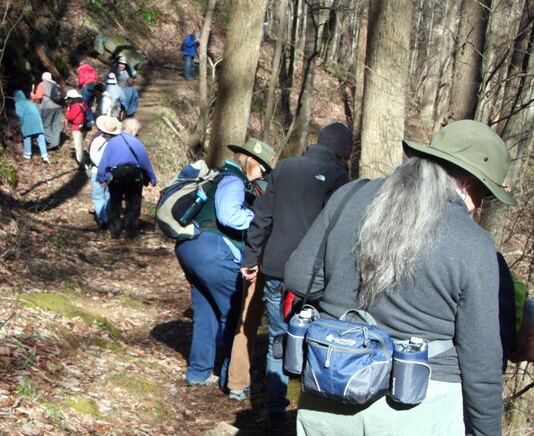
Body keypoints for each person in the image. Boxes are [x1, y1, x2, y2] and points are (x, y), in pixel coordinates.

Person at [285, 120, 515, 436]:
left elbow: (298, 279)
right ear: (471, 184)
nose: (478, 206)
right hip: (418, 405)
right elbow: (482, 366)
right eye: (485, 196)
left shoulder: (349, 196)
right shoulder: (474, 244)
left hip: (329, 382)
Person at [236, 123, 352, 432]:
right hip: (313, 276)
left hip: (275, 269)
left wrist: (250, 259)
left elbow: (261, 217)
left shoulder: (284, 168)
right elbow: (337, 231)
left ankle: (275, 408)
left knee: (279, 335)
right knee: (313, 339)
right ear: (343, 151)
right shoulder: (339, 178)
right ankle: (305, 409)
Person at [174, 138, 276, 387]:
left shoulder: (218, 176)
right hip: (213, 252)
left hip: (190, 248)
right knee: (234, 315)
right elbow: (229, 215)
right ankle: (232, 379)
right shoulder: (233, 180)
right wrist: (258, 219)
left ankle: (198, 373)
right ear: (251, 162)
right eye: (262, 169)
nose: (262, 175)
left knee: (206, 313)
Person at [96, 117, 157, 239]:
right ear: (134, 130)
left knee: (114, 202)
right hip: (134, 176)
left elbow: (104, 161)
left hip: (116, 176)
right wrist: (152, 178)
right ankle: (131, 231)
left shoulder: (112, 142)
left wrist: (101, 177)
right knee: (133, 203)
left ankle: (115, 230)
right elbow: (145, 162)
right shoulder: (137, 143)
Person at [87, 117, 119, 228]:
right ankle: (108, 217)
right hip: (112, 173)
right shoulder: (117, 142)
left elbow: (92, 156)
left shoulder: (97, 140)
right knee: (108, 195)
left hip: (97, 171)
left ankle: (102, 218)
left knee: (97, 196)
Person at [13, 90, 49, 164]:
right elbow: (38, 111)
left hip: (28, 122)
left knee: (27, 137)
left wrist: (21, 125)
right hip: (38, 121)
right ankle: (45, 156)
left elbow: (20, 115)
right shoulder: (30, 102)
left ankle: (27, 154)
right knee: (40, 137)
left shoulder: (18, 103)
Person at [31, 72, 64, 150]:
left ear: (43, 78)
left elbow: (38, 96)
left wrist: (32, 95)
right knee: (55, 125)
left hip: (47, 107)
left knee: (45, 126)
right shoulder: (57, 85)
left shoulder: (42, 84)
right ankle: (55, 142)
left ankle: (53, 142)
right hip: (59, 107)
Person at [64, 89, 88, 169]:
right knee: (81, 144)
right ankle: (83, 161)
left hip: (77, 127)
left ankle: (82, 164)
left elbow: (70, 116)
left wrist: (67, 111)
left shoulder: (75, 106)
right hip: (83, 126)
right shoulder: (83, 104)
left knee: (78, 146)